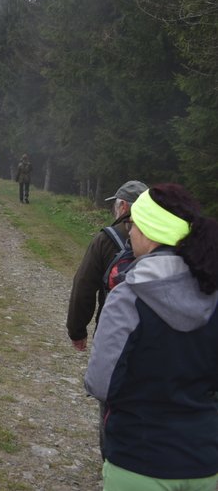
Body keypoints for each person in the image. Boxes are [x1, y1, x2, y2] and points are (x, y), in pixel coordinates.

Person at [85, 183, 218, 489]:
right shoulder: (212, 293)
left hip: (139, 458)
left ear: (147, 232)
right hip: (204, 462)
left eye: (132, 225)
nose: (129, 233)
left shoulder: (128, 297)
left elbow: (100, 383)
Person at [66, 180, 148, 351]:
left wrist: (77, 331)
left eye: (115, 205)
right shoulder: (162, 238)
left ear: (123, 206)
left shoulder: (106, 239)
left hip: (112, 329)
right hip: (152, 334)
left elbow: (84, 285)